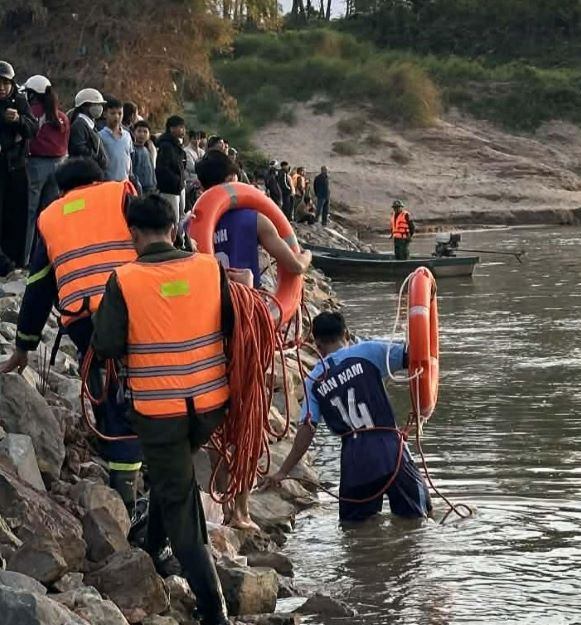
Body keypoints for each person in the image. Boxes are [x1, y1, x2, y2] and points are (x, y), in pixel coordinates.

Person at [91, 193, 232, 625]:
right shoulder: (210, 268)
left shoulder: (125, 279)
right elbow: (230, 324)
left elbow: (107, 345)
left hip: (158, 411)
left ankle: (215, 608)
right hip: (210, 406)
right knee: (173, 479)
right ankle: (152, 551)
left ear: (133, 233)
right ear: (174, 228)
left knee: (179, 500)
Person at [0, 158, 141, 512]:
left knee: (108, 392)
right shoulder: (120, 194)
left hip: (84, 322)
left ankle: (122, 481)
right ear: (98, 179)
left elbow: (37, 287)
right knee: (144, 385)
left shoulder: (51, 217)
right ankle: (138, 485)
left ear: (62, 190)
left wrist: (23, 346)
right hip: (134, 308)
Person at [193, 150, 311, 529]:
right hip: (247, 327)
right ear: (233, 177)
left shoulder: (194, 226)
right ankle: (239, 511)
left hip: (210, 325)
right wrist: (304, 259)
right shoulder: (253, 217)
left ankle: (221, 498)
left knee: (219, 417)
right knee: (247, 418)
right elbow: (290, 265)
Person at [261, 311, 431, 522]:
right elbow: (418, 355)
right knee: (419, 518)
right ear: (347, 334)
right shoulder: (369, 351)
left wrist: (283, 472)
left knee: (354, 530)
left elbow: (307, 429)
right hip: (391, 450)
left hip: (354, 459)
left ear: (317, 345)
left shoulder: (314, 379)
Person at [23, 75, 68, 266]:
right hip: (59, 164)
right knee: (49, 215)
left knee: (30, 213)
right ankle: (46, 257)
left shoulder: (33, 113)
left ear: (33, 94)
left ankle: (25, 257)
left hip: (36, 165)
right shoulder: (61, 116)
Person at [0, 61, 38, 275]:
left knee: (17, 214)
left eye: (6, 83)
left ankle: (14, 261)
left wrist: (19, 120)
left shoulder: (20, 102)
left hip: (16, 165)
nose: (2, 87)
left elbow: (33, 128)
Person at [155, 115, 187, 221]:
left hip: (179, 187)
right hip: (170, 189)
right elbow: (162, 168)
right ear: (172, 128)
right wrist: (176, 181)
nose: (183, 130)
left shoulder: (176, 144)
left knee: (181, 217)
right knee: (173, 219)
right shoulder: (166, 146)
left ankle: (180, 237)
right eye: (180, 127)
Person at [68, 88, 108, 173]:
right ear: (84, 106)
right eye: (95, 104)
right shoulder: (79, 125)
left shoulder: (90, 124)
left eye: (100, 104)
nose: (99, 108)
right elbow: (80, 149)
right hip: (84, 173)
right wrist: (98, 159)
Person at [99, 98, 134, 183]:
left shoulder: (127, 136)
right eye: (113, 113)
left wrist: (131, 176)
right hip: (108, 183)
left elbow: (129, 157)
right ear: (105, 114)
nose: (117, 117)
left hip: (125, 183)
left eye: (120, 113)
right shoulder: (100, 136)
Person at [131, 120, 156, 194]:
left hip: (151, 188)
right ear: (133, 132)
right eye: (139, 131)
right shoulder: (132, 150)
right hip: (139, 189)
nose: (142, 134)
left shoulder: (147, 150)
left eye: (145, 132)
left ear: (149, 135)